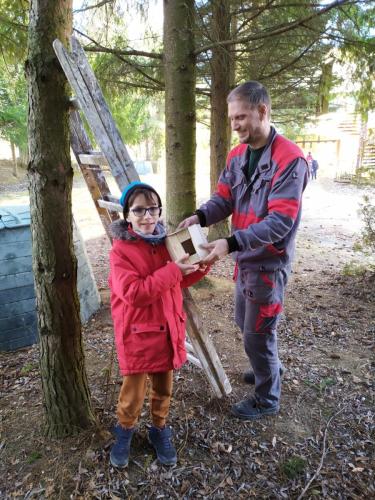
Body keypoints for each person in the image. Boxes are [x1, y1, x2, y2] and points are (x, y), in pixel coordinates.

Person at [179, 81, 308, 420]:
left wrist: (230, 242)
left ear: (262, 111)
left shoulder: (290, 159)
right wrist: (201, 215)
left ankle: (267, 398)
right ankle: (270, 367)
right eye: (231, 118)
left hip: (268, 263)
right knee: (244, 322)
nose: (234, 125)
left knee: (258, 333)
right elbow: (225, 197)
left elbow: (280, 222)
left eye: (241, 117)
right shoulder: (238, 155)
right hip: (245, 260)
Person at [109, 181, 208, 468]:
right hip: (138, 333)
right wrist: (173, 270)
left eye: (153, 208)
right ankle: (125, 431)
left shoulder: (167, 243)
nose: (147, 216)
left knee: (164, 388)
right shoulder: (121, 252)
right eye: (139, 210)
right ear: (127, 215)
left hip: (167, 329)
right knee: (133, 393)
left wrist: (202, 265)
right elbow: (134, 294)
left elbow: (178, 278)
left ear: (160, 211)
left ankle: (158, 429)